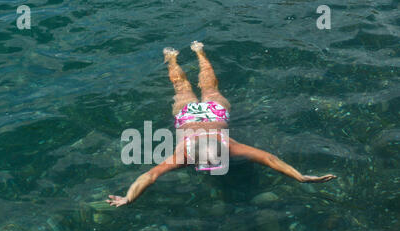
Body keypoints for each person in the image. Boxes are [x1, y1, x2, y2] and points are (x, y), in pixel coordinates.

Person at [106, 41, 336, 207]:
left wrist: (129, 197)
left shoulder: (187, 156)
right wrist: (299, 176)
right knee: (204, 88)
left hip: (198, 115)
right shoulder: (224, 147)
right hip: (200, 115)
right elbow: (269, 159)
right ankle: (197, 53)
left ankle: (178, 57)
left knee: (186, 88)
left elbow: (150, 176)